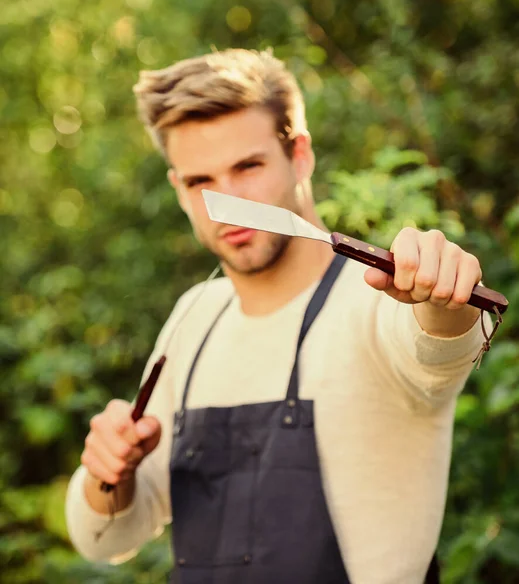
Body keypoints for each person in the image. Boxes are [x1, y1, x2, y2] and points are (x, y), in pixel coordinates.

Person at [66, 48, 491, 584]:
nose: (229, 199)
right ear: (178, 190)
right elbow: (107, 538)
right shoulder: (194, 318)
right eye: (201, 181)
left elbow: (442, 348)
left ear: (301, 157)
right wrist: (108, 475)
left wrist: (442, 294)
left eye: (248, 166)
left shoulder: (377, 299)